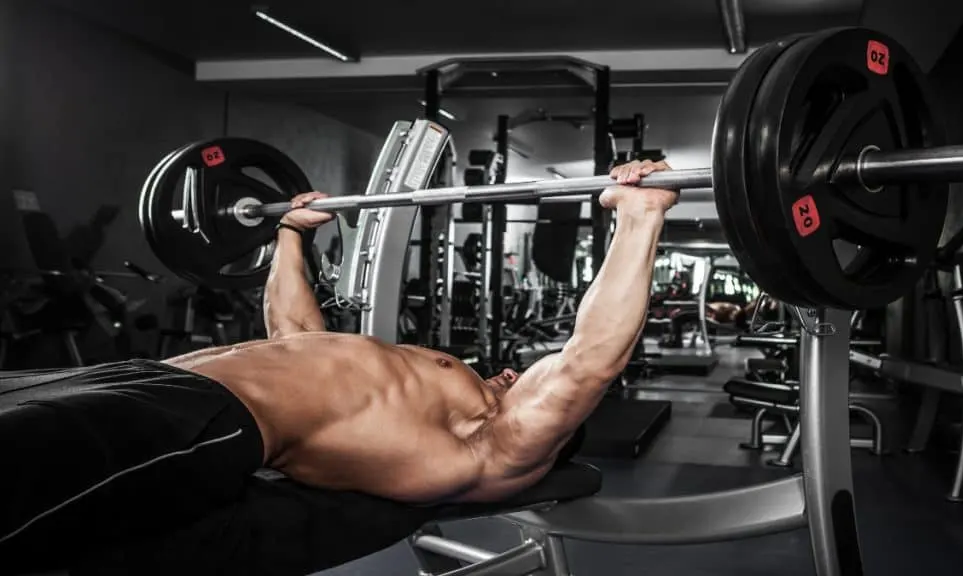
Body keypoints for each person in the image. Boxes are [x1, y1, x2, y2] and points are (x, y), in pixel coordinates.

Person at [0, 159, 677, 569]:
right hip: (147, 379)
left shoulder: (495, 446)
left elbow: (588, 362)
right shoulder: (428, 394)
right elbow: (294, 337)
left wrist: (639, 220)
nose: (512, 370)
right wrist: (289, 237)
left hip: (199, 422)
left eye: (524, 379)